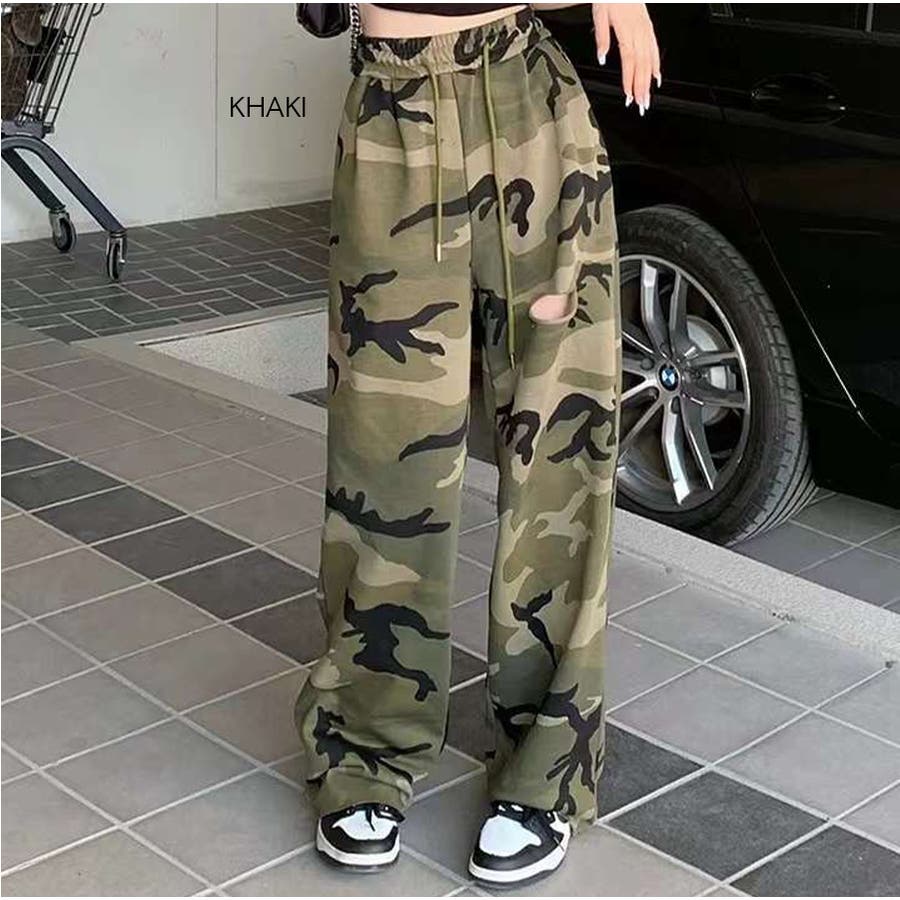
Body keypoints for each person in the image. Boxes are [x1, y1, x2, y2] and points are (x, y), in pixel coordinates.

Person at [294, 1, 660, 886]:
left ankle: (544, 770)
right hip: (393, 113)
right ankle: (365, 749)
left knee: (560, 453)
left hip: (528, 108)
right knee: (383, 456)